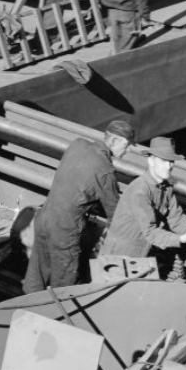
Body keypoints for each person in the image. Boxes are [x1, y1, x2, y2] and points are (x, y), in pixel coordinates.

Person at [22, 120, 135, 293]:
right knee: (65, 285)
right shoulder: (105, 170)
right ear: (114, 141)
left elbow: (76, 181)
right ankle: (57, 316)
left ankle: (24, 307)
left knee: (37, 274)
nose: (126, 152)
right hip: (65, 231)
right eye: (126, 146)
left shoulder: (77, 144)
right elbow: (115, 214)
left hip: (44, 217)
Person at [101, 136, 186, 260]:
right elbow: (150, 232)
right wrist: (182, 239)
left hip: (140, 253)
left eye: (171, 161)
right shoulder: (140, 191)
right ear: (151, 161)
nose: (169, 166)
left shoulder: (166, 188)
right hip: (117, 255)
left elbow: (176, 218)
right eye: (163, 161)